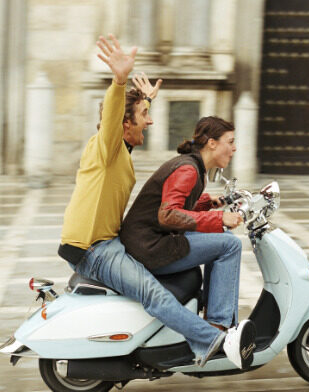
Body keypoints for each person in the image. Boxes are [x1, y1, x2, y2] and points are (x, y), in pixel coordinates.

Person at [58, 34, 255, 369]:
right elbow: (112, 121)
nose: (149, 121)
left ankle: (211, 330)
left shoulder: (119, 153)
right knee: (153, 294)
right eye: (144, 115)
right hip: (92, 248)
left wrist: (145, 99)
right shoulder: (106, 146)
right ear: (123, 122)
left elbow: (123, 127)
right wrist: (119, 81)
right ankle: (214, 341)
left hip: (108, 243)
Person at [120, 116, 256, 369]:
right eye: (231, 141)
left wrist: (209, 203)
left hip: (152, 241)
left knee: (224, 239)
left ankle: (217, 322)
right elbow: (168, 214)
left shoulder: (194, 168)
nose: (235, 147)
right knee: (230, 245)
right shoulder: (188, 169)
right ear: (212, 143)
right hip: (149, 247)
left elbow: (178, 204)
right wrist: (218, 218)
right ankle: (216, 331)